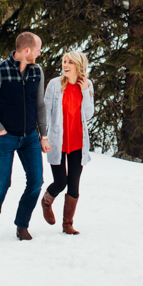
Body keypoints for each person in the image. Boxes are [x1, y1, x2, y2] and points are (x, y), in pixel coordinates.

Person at [0, 31, 52, 241]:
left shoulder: (37, 71)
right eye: (37, 49)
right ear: (26, 50)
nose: (39, 53)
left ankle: (22, 225)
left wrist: (43, 135)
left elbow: (39, 105)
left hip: (29, 137)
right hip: (5, 137)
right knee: (2, 183)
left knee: (36, 181)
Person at [40, 51, 94, 235]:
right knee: (60, 182)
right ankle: (46, 202)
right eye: (64, 61)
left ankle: (67, 224)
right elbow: (46, 112)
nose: (66, 65)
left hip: (78, 143)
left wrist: (86, 90)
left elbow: (88, 114)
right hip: (57, 141)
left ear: (78, 65)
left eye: (70, 62)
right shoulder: (55, 85)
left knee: (74, 184)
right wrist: (44, 136)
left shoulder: (86, 85)